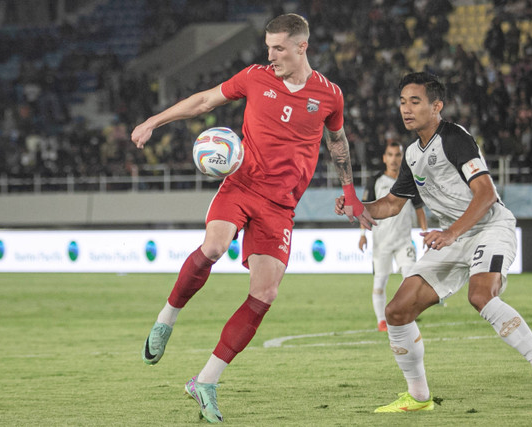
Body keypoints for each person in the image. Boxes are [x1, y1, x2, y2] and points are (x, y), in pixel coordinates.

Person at [131, 13, 374, 423]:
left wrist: (349, 191)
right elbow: (204, 100)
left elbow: (337, 140)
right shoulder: (255, 77)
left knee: (265, 294)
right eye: (268, 48)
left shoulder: (330, 95)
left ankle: (205, 381)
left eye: (279, 48)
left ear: (302, 47)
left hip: (280, 207)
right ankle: (166, 319)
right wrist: (154, 121)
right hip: (241, 186)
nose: (271, 56)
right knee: (214, 246)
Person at [335, 72, 532, 412]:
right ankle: (418, 396)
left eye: (415, 101)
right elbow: (391, 204)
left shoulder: (454, 137)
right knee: (397, 311)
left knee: (480, 295)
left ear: (437, 106)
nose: (406, 109)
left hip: (488, 228)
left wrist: (451, 233)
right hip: (452, 237)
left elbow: (486, 194)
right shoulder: (412, 154)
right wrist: (358, 207)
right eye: (402, 102)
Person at [358, 141, 427, 332]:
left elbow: (419, 209)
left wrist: (425, 233)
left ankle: (406, 317)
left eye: (397, 155)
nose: (394, 159)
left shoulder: (409, 180)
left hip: (404, 240)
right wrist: (362, 234)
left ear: (402, 157)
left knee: (410, 277)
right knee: (379, 282)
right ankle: (382, 321)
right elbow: (364, 207)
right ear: (384, 158)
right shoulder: (376, 181)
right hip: (382, 243)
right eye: (390, 155)